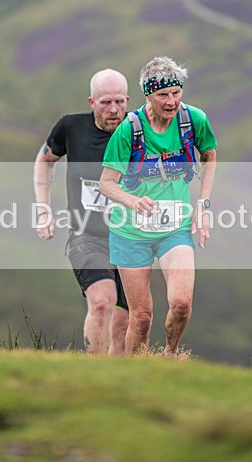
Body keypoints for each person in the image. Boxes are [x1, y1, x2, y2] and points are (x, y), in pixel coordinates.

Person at [99, 57, 217, 356]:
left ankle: (170, 355)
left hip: (174, 228)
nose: (171, 101)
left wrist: (203, 205)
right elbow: (107, 183)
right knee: (141, 318)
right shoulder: (129, 129)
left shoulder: (194, 120)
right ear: (148, 96)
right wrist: (133, 200)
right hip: (130, 230)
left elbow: (210, 156)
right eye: (163, 95)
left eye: (176, 92)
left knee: (181, 303)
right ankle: (134, 374)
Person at [33, 68, 131, 355]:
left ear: (127, 100)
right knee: (102, 302)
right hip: (86, 235)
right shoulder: (70, 127)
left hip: (131, 237)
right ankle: (93, 370)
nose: (113, 110)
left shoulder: (140, 132)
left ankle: (114, 384)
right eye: (105, 103)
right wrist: (43, 209)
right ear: (91, 102)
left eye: (119, 102)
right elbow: (44, 159)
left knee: (125, 320)